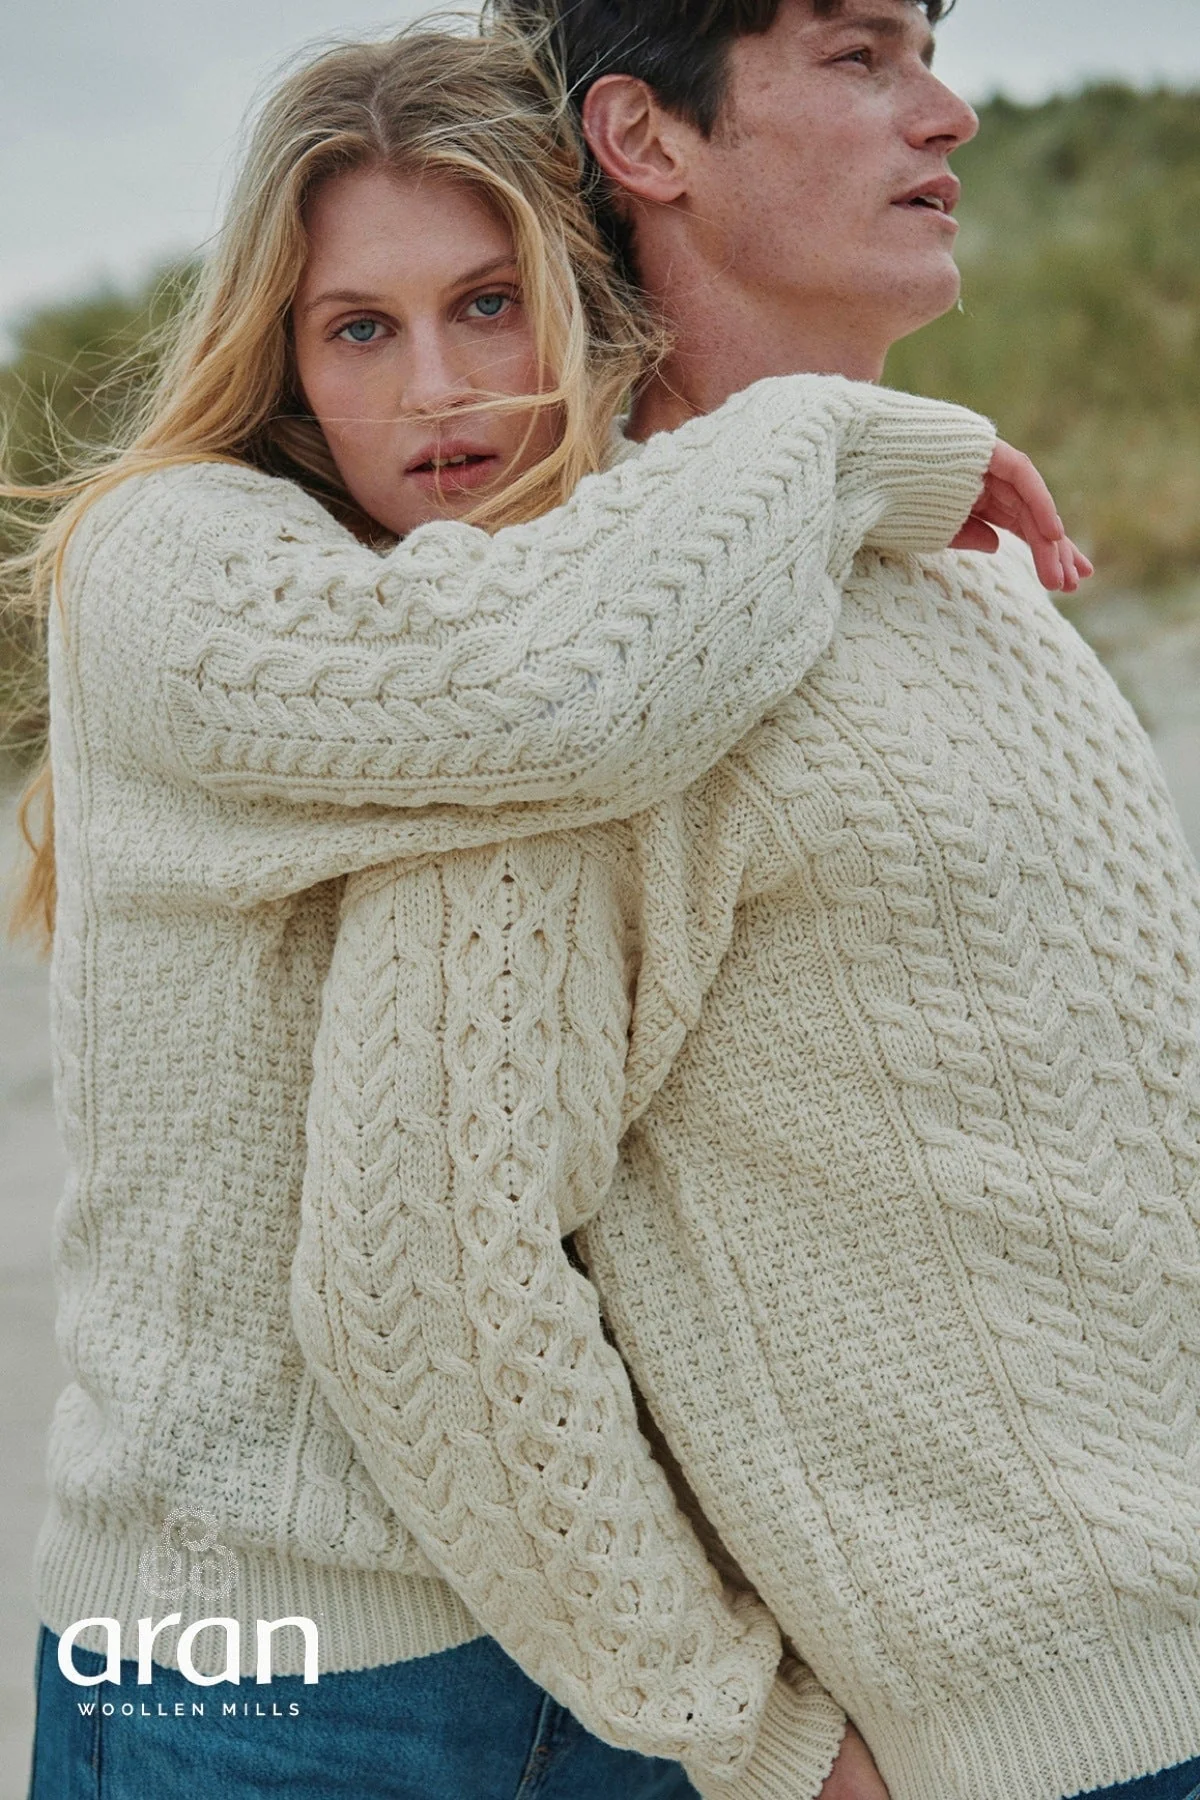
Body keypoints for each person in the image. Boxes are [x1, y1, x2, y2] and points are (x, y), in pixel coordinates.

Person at [9, 23, 1075, 1800]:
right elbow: (538, 699)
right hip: (253, 1664)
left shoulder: (591, 567)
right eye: (363, 326)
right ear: (279, 357)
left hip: (605, 1658)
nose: (439, 387)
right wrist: (838, 440)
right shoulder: (171, 563)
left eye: (491, 304)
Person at [296, 2, 1200, 1799]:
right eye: (861, 56)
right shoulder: (597, 653)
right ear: (647, 140)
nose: (945, 112)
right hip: (1023, 1749)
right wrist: (758, 1737)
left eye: (924, 50)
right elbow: (418, 1278)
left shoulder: (959, 562)